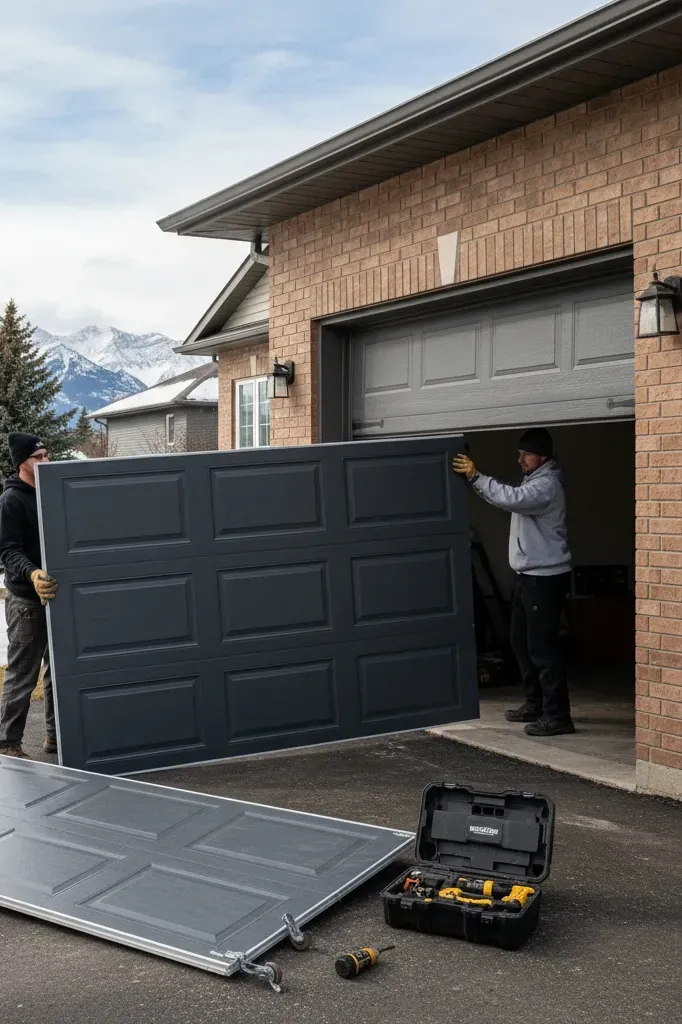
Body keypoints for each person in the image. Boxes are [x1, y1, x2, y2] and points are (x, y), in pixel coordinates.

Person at [453, 428, 574, 736]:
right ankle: (535, 704)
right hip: (529, 577)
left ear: (542, 456)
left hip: (545, 579)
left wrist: (476, 477)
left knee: (542, 649)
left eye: (526, 454)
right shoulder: (534, 479)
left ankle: (557, 716)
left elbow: (511, 499)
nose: (520, 459)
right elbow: (508, 498)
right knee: (520, 642)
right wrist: (478, 481)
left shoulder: (546, 485)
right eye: (520, 453)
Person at [0, 433, 59, 758]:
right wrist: (33, 573)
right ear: (22, 462)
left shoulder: (51, 492)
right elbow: (8, 550)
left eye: (47, 455)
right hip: (26, 600)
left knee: (58, 670)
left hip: (56, 596)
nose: (45, 461)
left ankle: (56, 737)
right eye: (38, 457)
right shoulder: (12, 500)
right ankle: (8, 743)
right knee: (23, 672)